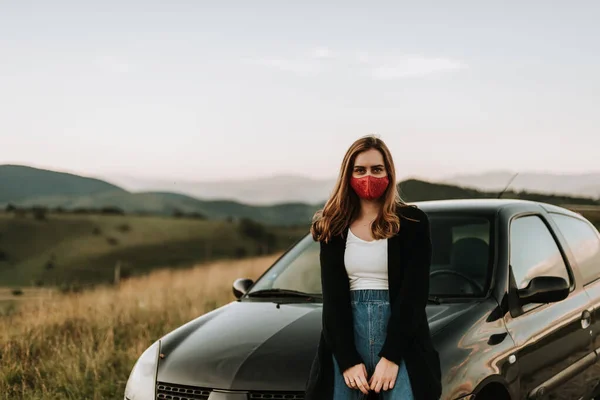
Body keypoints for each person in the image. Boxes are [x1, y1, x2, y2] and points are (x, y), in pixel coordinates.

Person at [304, 135, 442, 400]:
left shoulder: (412, 222)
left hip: (400, 338)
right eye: (360, 170)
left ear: (388, 173)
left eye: (376, 169)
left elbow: (413, 296)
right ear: (349, 174)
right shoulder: (333, 225)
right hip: (346, 336)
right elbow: (333, 299)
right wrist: (346, 360)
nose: (369, 177)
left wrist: (391, 356)